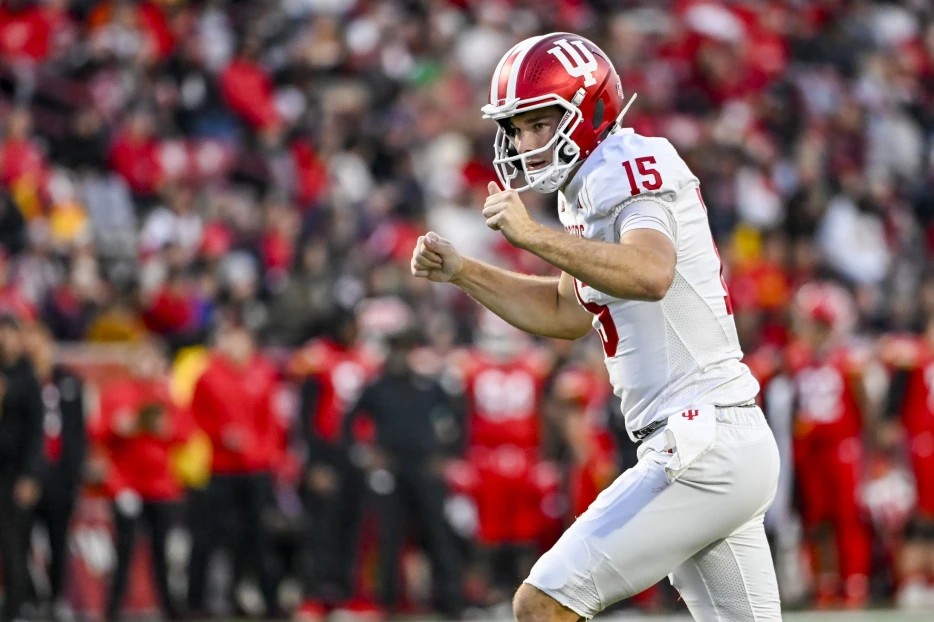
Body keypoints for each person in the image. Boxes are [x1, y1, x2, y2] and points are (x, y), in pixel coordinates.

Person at [410, 32, 781, 621]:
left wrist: (531, 236)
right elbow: (563, 314)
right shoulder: (586, 188)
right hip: (717, 442)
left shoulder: (630, 162)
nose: (527, 143)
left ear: (590, 110)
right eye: (519, 127)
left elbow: (652, 271)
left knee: (542, 605)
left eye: (540, 122)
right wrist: (462, 271)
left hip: (700, 438)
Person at [340, 327, 464, 617]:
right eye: (396, 349)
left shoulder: (429, 386)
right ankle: (388, 600)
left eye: (406, 349)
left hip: (425, 468)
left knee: (438, 534)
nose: (401, 356)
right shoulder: (377, 386)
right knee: (389, 536)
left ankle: (450, 600)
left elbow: (458, 419)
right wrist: (366, 456)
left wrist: (446, 456)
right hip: (391, 470)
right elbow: (348, 423)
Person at [187, 318, 282, 618]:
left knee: (259, 538)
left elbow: (272, 421)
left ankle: (268, 600)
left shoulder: (263, 372)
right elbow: (195, 416)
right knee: (207, 536)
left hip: (255, 468)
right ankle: (195, 602)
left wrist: (267, 456)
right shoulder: (208, 375)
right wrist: (219, 434)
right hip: (220, 467)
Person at [786, 282, 874, 607]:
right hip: (811, 451)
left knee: (847, 517)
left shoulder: (848, 362)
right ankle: (825, 581)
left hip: (842, 447)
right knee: (816, 520)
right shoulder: (798, 361)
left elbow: (864, 407)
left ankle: (854, 580)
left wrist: (871, 445)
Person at [94, 337, 190, 622]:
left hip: (160, 486)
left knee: (163, 553)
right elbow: (98, 432)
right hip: (126, 486)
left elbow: (185, 434)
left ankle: (169, 609)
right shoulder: (117, 393)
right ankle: (112, 610)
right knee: (123, 552)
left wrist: (166, 430)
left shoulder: (166, 394)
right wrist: (118, 426)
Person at [25, 322, 87, 620]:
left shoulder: (69, 382)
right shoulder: (18, 382)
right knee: (19, 540)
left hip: (61, 474)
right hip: (27, 474)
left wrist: (75, 469)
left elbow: (78, 431)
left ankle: (56, 598)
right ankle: (28, 599)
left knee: (58, 540)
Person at [0, 313, 44, 622]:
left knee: (13, 545)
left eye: (9, 333)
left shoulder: (27, 378)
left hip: (13, 472)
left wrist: (30, 476)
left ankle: (15, 609)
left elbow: (35, 433)